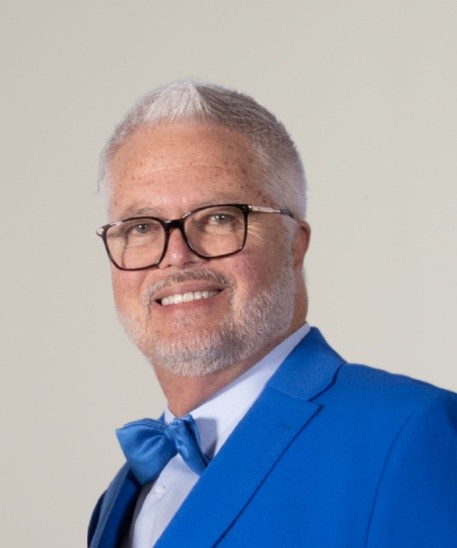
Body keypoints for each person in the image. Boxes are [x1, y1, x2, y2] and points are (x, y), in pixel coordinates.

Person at [88, 80, 457, 548]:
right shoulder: (122, 496)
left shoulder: (412, 435)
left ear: (294, 244)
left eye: (219, 218)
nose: (176, 256)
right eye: (141, 227)